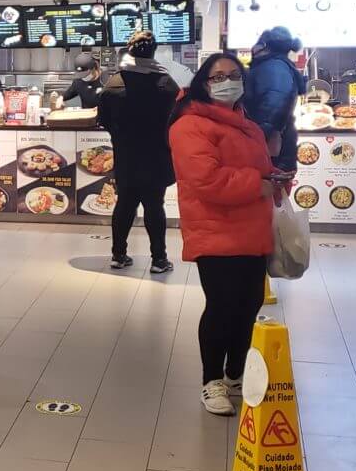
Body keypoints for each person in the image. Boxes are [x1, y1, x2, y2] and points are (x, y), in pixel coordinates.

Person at [169, 52, 279, 416]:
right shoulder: (190, 125)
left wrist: (274, 177)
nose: (227, 81)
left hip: (252, 226)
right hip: (215, 228)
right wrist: (257, 185)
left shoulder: (245, 122)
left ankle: (235, 373)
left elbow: (254, 166)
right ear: (203, 83)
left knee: (248, 305)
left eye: (233, 75)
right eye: (218, 77)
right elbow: (205, 180)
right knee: (221, 307)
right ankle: (212, 380)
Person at [98, 32, 180, 273]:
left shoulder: (115, 83)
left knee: (124, 204)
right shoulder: (166, 83)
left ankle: (118, 255)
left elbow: (102, 118)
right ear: (154, 52)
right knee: (155, 206)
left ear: (129, 51)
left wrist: (119, 135)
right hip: (156, 157)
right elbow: (177, 119)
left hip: (126, 156)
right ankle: (159, 260)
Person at [244, 27, 306, 172]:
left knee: (270, 192)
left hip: (271, 150)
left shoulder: (273, 67)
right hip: (273, 148)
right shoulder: (275, 65)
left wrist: (257, 138)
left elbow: (274, 105)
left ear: (264, 46)